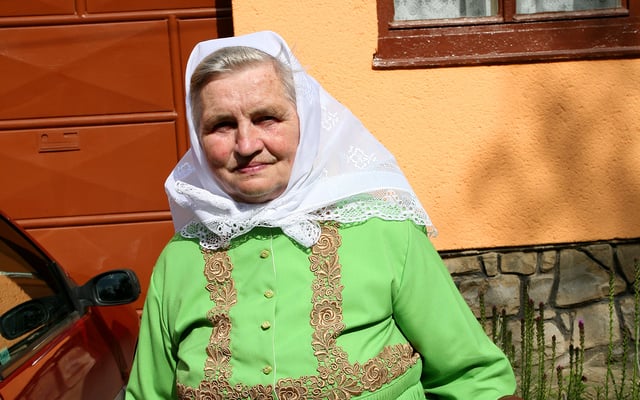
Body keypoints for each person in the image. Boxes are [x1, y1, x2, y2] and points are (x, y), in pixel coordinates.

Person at [125, 30, 519, 400]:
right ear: (198, 141)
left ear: (306, 120)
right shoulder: (180, 259)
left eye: (266, 118)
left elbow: (474, 377)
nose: (246, 144)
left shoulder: (384, 232)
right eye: (222, 125)